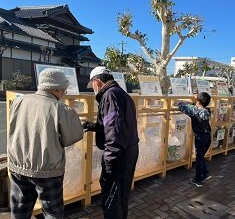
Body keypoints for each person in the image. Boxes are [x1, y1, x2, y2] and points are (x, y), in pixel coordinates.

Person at [8, 69, 83, 219]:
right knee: (52, 212)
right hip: (47, 169)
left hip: (18, 165)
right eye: (64, 89)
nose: (64, 92)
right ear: (56, 88)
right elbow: (71, 137)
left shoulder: (19, 101)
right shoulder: (60, 108)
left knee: (19, 211)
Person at [83, 66, 139, 219]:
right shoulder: (121, 94)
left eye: (92, 84)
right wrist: (93, 127)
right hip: (128, 151)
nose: (92, 88)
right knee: (121, 196)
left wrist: (109, 161)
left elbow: (114, 131)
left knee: (112, 199)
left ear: (97, 81)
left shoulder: (110, 95)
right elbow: (115, 124)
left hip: (119, 155)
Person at [178, 92, 212, 187]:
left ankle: (198, 179)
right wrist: (195, 102)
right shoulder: (207, 110)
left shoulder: (194, 110)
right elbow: (197, 107)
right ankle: (204, 174)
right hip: (208, 136)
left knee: (199, 158)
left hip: (200, 138)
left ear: (198, 101)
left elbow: (180, 106)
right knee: (201, 156)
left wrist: (186, 102)